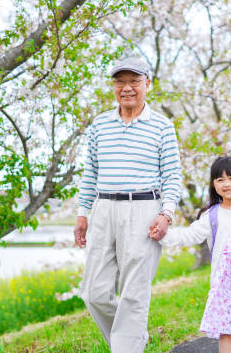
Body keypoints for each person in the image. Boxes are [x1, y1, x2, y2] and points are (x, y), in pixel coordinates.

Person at [73, 56, 182, 352]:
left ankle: (127, 346)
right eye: (120, 81)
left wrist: (166, 214)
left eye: (134, 81)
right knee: (94, 292)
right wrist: (82, 214)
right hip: (103, 209)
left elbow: (173, 175)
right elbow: (90, 172)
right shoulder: (100, 125)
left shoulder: (162, 126)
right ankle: (131, 340)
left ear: (147, 84)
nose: (127, 88)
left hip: (144, 209)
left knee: (134, 293)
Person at [151, 156, 231, 353]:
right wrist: (163, 236)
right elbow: (190, 235)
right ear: (213, 185)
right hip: (224, 286)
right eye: (220, 180)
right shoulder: (212, 215)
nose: (227, 184)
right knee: (226, 332)